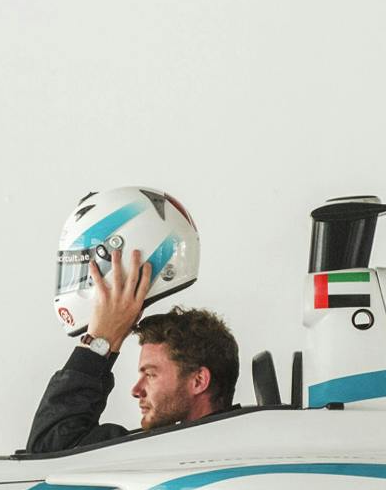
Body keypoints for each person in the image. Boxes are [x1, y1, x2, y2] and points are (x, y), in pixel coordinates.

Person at [29, 188, 239, 452]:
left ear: (198, 381)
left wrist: (101, 340)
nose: (136, 390)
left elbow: (50, 453)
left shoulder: (177, 457)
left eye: (150, 374)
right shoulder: (206, 448)